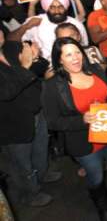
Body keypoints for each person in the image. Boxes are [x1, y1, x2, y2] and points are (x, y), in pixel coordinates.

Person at [41, 37, 107, 221]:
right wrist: (81, 119)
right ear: (59, 59)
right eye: (68, 54)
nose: (75, 58)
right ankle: (102, 206)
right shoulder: (52, 86)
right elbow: (52, 122)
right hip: (83, 142)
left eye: (77, 52)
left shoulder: (96, 70)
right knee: (96, 177)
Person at [0, 32, 61, 207]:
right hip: (12, 124)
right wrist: (26, 65)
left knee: (41, 148)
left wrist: (36, 56)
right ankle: (30, 193)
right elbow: (6, 92)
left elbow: (41, 67)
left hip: (36, 112)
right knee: (21, 163)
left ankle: (41, 173)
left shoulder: (12, 47)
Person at [8, 0, 88, 61]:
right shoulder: (36, 21)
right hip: (46, 69)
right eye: (52, 7)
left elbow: (85, 46)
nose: (57, 11)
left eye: (60, 7)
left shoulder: (76, 24)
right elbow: (10, 40)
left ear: (66, 7)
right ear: (46, 8)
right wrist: (25, 26)